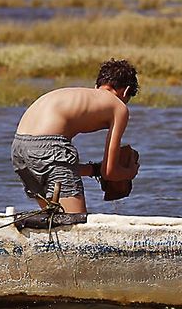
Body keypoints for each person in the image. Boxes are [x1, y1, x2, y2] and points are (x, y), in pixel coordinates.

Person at [11, 59, 139, 218]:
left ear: (98, 86)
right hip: (50, 145)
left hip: (19, 148)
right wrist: (130, 172)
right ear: (126, 91)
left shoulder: (79, 94)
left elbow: (54, 163)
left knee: (53, 217)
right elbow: (110, 172)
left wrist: (94, 170)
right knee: (75, 223)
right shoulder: (118, 106)